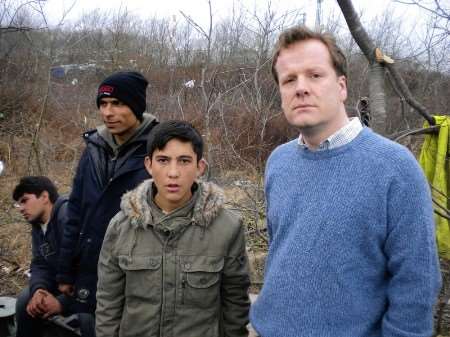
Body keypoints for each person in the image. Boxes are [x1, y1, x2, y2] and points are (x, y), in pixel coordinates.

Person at [250, 26, 441, 337]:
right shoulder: (279, 162)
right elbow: (281, 252)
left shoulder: (395, 168)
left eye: (314, 75)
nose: (301, 88)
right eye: (289, 80)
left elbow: (417, 283)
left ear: (341, 87)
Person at [96, 121, 251, 337]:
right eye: (163, 160)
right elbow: (108, 304)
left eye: (184, 161)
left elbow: (235, 307)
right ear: (149, 165)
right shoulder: (121, 227)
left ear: (200, 167)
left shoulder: (227, 228)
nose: (173, 172)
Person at [56, 71, 158, 314]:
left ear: (136, 106)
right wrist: (65, 270)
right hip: (89, 266)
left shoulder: (159, 148)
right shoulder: (94, 148)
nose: (107, 113)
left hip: (134, 274)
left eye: (118, 103)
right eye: (103, 104)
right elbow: (76, 213)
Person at [13, 176, 94, 337]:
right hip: (62, 287)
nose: (21, 208)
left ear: (44, 197)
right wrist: (39, 290)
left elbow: (93, 271)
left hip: (91, 292)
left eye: (25, 200)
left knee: (86, 320)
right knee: (25, 300)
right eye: (19, 203)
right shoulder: (38, 225)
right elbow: (40, 264)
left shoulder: (69, 217)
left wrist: (61, 303)